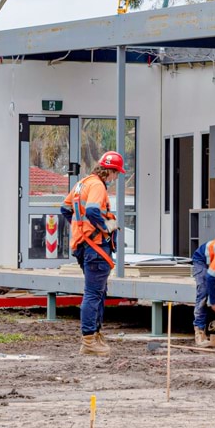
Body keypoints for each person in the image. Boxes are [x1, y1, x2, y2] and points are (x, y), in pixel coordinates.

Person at [60, 151, 122, 356]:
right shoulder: (97, 186)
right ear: (110, 172)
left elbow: (65, 208)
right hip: (94, 246)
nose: (116, 178)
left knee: (97, 292)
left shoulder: (82, 183)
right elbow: (94, 211)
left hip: (82, 245)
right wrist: (106, 228)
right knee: (94, 293)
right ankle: (88, 340)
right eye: (116, 174)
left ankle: (94, 335)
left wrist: (81, 228)